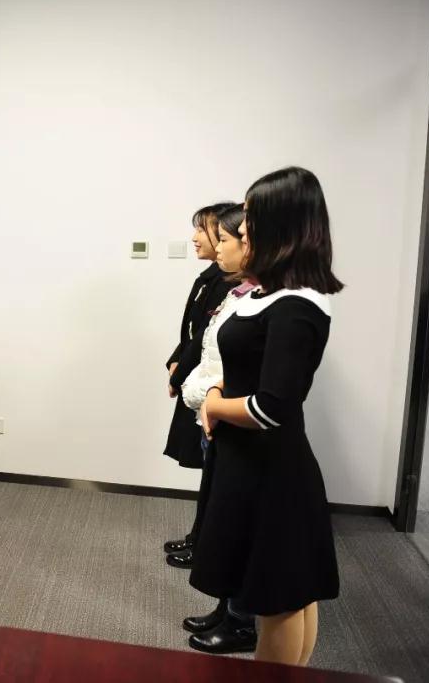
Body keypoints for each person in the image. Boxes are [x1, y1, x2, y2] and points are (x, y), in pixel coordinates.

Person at [192, 167, 343, 666]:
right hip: (246, 462)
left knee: (280, 598)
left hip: (271, 470)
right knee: (288, 592)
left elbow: (271, 407)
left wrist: (214, 405)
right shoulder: (267, 294)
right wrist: (218, 389)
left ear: (281, 225)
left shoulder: (298, 305)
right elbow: (241, 370)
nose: (242, 226)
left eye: (251, 216)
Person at [176, 204, 259, 654]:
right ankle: (228, 608)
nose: (206, 242)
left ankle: (241, 620)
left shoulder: (279, 301)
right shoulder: (239, 291)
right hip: (217, 416)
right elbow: (207, 348)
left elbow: (253, 381)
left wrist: (212, 400)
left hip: (237, 423)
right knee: (222, 517)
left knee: (237, 525)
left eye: (224, 237)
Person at [162, 202, 235, 567]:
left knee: (217, 476)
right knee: (210, 472)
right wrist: (175, 361)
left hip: (214, 391)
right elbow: (193, 333)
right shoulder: (212, 277)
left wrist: (178, 375)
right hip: (200, 384)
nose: (195, 238)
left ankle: (204, 544)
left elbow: (206, 338)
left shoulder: (228, 284)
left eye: (204, 231)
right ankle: (199, 538)